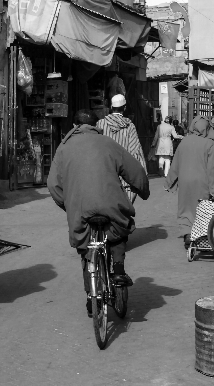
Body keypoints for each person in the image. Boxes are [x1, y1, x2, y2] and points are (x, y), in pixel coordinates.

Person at [47, 109, 149, 315]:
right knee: (119, 229)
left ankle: (90, 294)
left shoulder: (64, 148)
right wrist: (143, 190)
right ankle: (118, 270)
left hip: (80, 210)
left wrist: (68, 204)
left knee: (86, 247)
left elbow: (52, 184)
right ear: (96, 126)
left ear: (74, 126)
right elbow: (135, 171)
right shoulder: (108, 143)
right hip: (111, 206)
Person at [166, 116, 214, 248]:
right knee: (202, 208)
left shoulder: (185, 141)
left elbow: (176, 163)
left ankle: (187, 233)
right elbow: (211, 169)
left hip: (185, 180)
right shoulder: (210, 143)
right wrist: (213, 190)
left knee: (185, 207)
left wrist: (169, 182)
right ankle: (201, 236)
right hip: (202, 181)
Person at [96, 94, 146, 202]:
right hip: (125, 180)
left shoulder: (100, 124)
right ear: (124, 107)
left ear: (111, 107)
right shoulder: (129, 126)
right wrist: (142, 175)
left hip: (104, 176)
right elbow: (135, 151)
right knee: (124, 214)